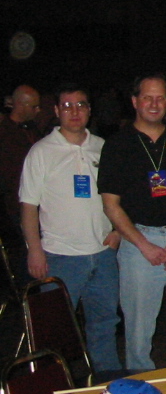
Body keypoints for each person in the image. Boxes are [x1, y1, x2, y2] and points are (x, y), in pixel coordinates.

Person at [99, 74, 166, 371]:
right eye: (147, 97)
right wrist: (143, 245)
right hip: (139, 244)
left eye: (160, 98)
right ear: (135, 101)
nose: (154, 103)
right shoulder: (117, 144)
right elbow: (111, 205)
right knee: (139, 330)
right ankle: (140, 387)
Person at [19, 84, 122, 376]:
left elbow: (120, 195)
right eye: (67, 106)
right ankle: (54, 389)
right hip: (60, 257)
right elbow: (28, 206)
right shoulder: (41, 151)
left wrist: (117, 231)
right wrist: (35, 250)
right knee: (56, 332)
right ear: (56, 111)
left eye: (81, 105)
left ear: (89, 110)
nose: (74, 111)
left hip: (103, 254)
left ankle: (107, 384)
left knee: (105, 325)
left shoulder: (103, 147)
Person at [0, 84, 42, 284]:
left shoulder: (32, 130)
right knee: (28, 257)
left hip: (38, 204)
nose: (38, 111)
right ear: (22, 105)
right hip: (16, 207)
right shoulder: (5, 134)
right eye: (34, 106)